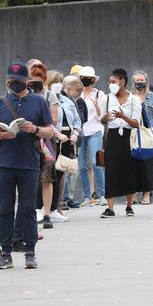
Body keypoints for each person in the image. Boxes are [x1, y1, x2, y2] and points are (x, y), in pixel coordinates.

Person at [0, 60, 54, 270]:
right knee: (5, 209)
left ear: (27, 81)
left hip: (29, 163)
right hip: (4, 164)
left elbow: (50, 131)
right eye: (9, 79)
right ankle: (5, 252)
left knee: (27, 209)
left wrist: (34, 129)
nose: (12, 83)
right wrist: (1, 135)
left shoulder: (39, 102)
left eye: (16, 80)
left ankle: (30, 251)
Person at [99, 68, 151, 217]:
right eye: (110, 82)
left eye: (114, 81)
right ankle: (110, 208)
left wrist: (122, 116)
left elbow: (136, 122)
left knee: (130, 170)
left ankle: (129, 206)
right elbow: (101, 119)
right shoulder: (106, 99)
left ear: (122, 82)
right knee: (111, 171)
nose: (111, 84)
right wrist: (105, 119)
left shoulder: (134, 99)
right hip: (113, 137)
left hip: (130, 137)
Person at [27, 62, 60, 229]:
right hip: (26, 140)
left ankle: (47, 213)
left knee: (47, 178)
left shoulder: (49, 95)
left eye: (39, 79)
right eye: (33, 79)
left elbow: (53, 120)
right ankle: (31, 212)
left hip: (45, 140)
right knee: (29, 178)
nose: (36, 82)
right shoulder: (21, 95)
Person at [46, 70, 81, 221]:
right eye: (55, 81)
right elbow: (47, 121)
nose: (58, 85)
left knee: (61, 174)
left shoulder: (67, 101)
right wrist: (57, 135)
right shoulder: (45, 99)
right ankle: (47, 208)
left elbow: (77, 121)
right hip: (53, 140)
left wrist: (75, 134)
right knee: (49, 175)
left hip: (67, 141)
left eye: (60, 81)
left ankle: (57, 207)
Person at [131, 71, 153, 205]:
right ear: (133, 82)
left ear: (146, 81)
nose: (140, 82)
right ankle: (133, 195)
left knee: (148, 166)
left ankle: (146, 195)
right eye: (137, 80)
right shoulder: (130, 97)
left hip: (149, 135)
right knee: (133, 165)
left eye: (142, 80)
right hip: (134, 134)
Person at [78, 66, 107, 206]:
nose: (85, 80)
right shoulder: (77, 94)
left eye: (88, 78)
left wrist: (96, 106)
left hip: (95, 130)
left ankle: (102, 195)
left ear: (93, 80)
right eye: (82, 77)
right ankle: (87, 197)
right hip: (80, 132)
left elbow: (103, 116)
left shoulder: (99, 94)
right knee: (82, 165)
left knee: (96, 163)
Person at [61, 74, 88, 208]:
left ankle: (67, 198)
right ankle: (63, 199)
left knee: (70, 170)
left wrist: (76, 132)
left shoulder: (75, 101)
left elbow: (80, 119)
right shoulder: (60, 99)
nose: (76, 94)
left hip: (73, 139)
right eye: (75, 91)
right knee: (63, 171)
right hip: (61, 138)